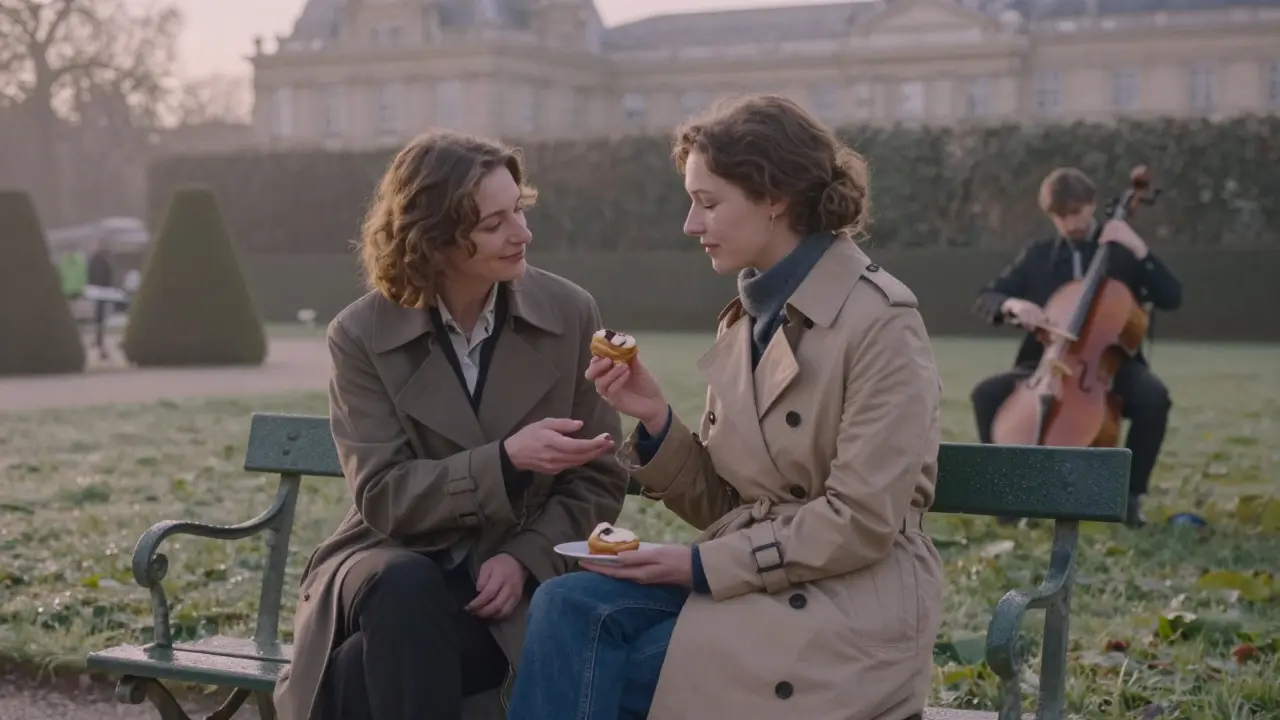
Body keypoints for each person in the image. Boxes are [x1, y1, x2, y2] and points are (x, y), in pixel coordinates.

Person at [506, 94, 944, 720]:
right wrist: (656, 419)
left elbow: (862, 521)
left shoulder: (881, 321)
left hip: (851, 607)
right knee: (565, 606)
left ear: (776, 197)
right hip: (763, 590)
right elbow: (741, 508)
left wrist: (696, 565)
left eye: (708, 202)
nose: (690, 223)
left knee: (612, 671)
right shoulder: (746, 320)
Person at [272, 130, 629, 720]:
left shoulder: (569, 313)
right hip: (386, 556)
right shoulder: (360, 334)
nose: (522, 234)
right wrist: (507, 460)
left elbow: (596, 478)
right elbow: (383, 494)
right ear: (432, 240)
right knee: (405, 587)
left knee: (359, 669)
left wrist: (526, 556)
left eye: (519, 208)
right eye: (494, 223)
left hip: (504, 575)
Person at [969, 167, 1182, 528]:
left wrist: (1139, 247)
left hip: (1112, 364)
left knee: (1153, 397)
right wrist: (1014, 306)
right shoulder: (1037, 256)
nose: (1071, 224)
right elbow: (987, 296)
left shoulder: (1124, 253)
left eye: (1077, 213)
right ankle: (1007, 497)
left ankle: (1129, 498)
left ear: (1093, 205)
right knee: (985, 394)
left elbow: (1171, 296)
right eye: (1061, 217)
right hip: (1047, 363)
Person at [87, 238, 114, 360]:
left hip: (103, 292)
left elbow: (109, 275)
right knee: (98, 316)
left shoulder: (103, 260)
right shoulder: (95, 261)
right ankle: (98, 339)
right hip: (96, 291)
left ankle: (99, 338)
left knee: (101, 317)